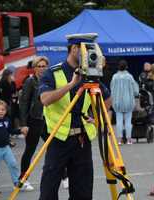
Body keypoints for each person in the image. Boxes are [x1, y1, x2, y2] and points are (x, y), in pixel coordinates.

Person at [38, 34, 111, 200]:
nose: (91, 53)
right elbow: (45, 99)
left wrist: (98, 117)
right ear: (74, 49)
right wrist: (71, 84)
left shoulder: (91, 74)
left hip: (82, 140)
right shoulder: (53, 72)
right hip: (58, 139)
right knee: (48, 191)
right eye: (88, 49)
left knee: (83, 192)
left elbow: (107, 98)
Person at [18, 56, 49, 191]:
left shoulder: (49, 80)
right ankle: (23, 179)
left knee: (55, 148)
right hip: (34, 120)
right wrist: (23, 124)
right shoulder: (30, 81)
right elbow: (24, 102)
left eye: (44, 66)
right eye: (39, 66)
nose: (42, 68)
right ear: (35, 68)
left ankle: (64, 176)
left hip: (47, 120)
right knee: (30, 151)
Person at [110, 60, 139, 145]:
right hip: (128, 101)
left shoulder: (115, 77)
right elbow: (135, 90)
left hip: (117, 102)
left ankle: (119, 140)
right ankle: (129, 139)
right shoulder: (129, 77)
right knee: (128, 121)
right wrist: (136, 94)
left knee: (119, 121)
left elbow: (112, 88)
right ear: (126, 67)